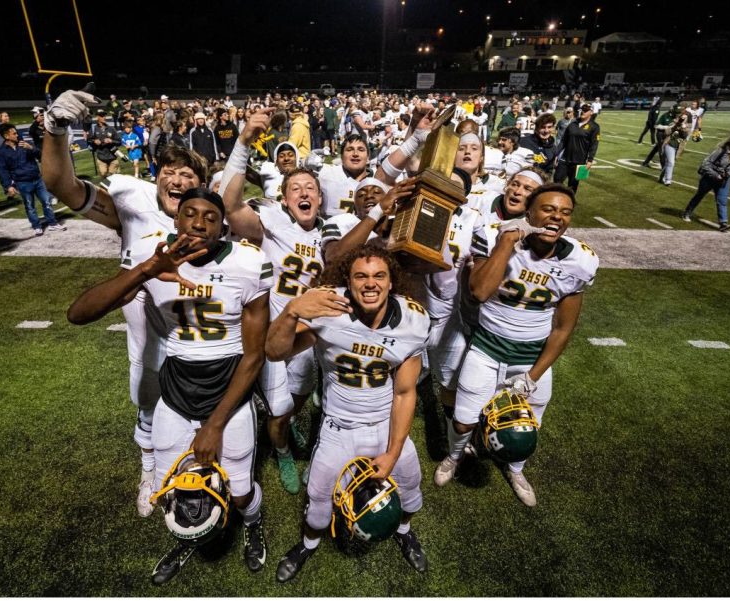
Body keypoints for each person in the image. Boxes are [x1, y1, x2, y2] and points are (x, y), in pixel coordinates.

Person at [66, 188, 273, 582]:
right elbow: (78, 314)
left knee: (242, 491)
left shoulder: (248, 262)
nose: (198, 223)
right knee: (173, 489)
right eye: (190, 214)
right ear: (176, 220)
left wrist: (214, 424)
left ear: (223, 227)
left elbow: (253, 356)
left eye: (210, 217)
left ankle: (253, 523)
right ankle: (189, 535)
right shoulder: (153, 255)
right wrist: (145, 270)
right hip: (175, 388)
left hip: (226, 389)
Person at [44, 88, 214, 520]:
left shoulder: (212, 219)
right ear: (157, 177)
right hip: (147, 343)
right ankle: (149, 472)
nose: (177, 181)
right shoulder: (131, 207)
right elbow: (61, 185)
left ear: (200, 184)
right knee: (146, 406)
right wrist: (56, 130)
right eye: (170, 172)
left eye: (187, 175)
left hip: (197, 336)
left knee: (203, 418)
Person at [266, 245, 431, 582]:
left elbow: (404, 391)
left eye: (379, 276)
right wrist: (292, 310)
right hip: (338, 425)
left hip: (385, 422)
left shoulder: (413, 320)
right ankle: (308, 545)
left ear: (390, 283)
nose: (370, 284)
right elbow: (274, 351)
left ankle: (404, 531)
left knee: (411, 490)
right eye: (361, 276)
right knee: (318, 503)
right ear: (349, 282)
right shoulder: (328, 307)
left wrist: (393, 451)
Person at [434, 183, 598, 507]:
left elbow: (563, 329)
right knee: (464, 420)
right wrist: (507, 241)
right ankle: (454, 457)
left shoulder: (579, 260)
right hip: (487, 347)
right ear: (529, 212)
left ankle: (516, 469)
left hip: (531, 356)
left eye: (565, 213)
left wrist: (533, 376)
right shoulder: (498, 236)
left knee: (526, 428)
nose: (557, 218)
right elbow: (478, 292)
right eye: (548, 209)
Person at [219, 109, 326, 494]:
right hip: (271, 331)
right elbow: (229, 206)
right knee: (279, 408)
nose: (303, 192)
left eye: (310, 188)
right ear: (283, 197)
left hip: (308, 336)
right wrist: (244, 142)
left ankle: (286, 427)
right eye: (295, 188)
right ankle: (280, 449)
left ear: (320, 196)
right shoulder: (271, 222)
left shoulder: (331, 231)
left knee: (297, 399)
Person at [0, 123, 65, 236]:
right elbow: (2, 171)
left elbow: (40, 155)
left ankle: (52, 223)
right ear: (6, 136)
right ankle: (36, 226)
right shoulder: (1, 152)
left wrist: (31, 148)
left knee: (47, 202)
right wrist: (8, 186)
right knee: (30, 206)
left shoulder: (25, 144)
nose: (17, 135)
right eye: (14, 133)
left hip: (37, 179)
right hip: (22, 183)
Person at [681, 131, 730, 232]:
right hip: (710, 178)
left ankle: (723, 223)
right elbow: (705, 164)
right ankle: (687, 212)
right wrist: (716, 175)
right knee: (699, 195)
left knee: (722, 201)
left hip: (725, 180)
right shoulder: (721, 150)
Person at [316, 134, 371, 217]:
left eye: (361, 150)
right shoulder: (327, 173)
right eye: (349, 149)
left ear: (368, 157)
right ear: (341, 157)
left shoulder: (376, 180)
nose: (355, 154)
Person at [553, 104, 600, 192]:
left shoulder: (595, 126)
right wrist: (556, 154)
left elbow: (594, 144)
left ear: (591, 112)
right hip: (565, 159)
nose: (583, 111)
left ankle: (569, 202)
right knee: (557, 180)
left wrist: (590, 160)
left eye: (586, 110)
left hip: (579, 162)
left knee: (573, 185)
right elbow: (563, 140)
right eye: (582, 109)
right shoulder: (572, 123)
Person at [88, 109, 121, 177]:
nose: (104, 117)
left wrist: (111, 141)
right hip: (101, 157)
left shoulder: (111, 129)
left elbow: (119, 142)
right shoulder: (93, 129)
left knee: (112, 176)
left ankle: (115, 172)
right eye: (101, 116)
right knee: (103, 174)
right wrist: (94, 141)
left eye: (104, 115)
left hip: (112, 156)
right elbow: (89, 140)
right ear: (97, 117)